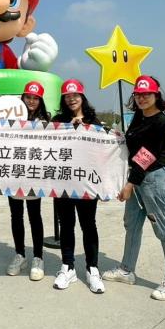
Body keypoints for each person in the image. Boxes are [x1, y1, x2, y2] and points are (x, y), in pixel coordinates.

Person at [103, 75, 165, 301]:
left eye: (146, 94)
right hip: (137, 178)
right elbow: (133, 145)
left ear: (156, 95)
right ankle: (126, 270)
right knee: (132, 225)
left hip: (155, 180)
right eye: (138, 94)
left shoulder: (161, 122)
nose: (142, 98)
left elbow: (145, 156)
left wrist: (130, 184)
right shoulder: (139, 116)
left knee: (164, 231)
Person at [51, 79, 106, 294]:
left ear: (82, 97)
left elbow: (103, 150)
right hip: (63, 183)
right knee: (66, 224)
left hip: (86, 184)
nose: (71, 99)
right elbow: (47, 147)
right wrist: (68, 128)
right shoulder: (57, 121)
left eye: (75, 95)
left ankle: (92, 269)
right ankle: (68, 267)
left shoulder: (94, 120)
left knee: (88, 225)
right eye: (67, 96)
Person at [6, 81, 50, 281]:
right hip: (13, 173)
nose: (31, 101)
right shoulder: (11, 117)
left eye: (35, 98)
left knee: (34, 215)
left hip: (34, 174)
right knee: (16, 215)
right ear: (22, 98)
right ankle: (20, 255)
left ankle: (38, 257)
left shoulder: (46, 120)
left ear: (40, 101)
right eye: (28, 97)